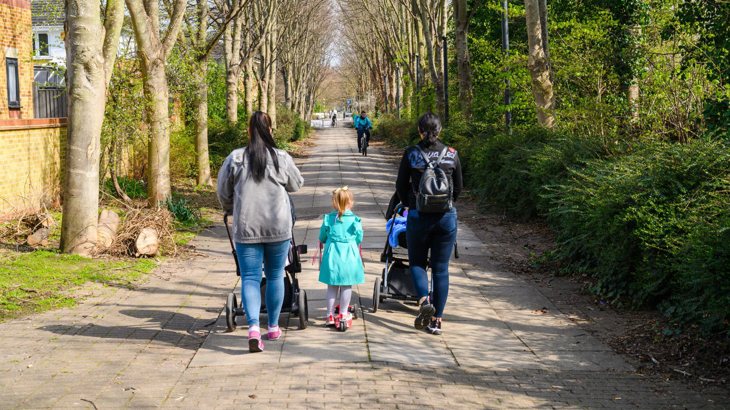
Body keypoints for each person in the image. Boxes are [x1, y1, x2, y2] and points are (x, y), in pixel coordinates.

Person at [217, 111, 304, 353]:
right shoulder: (281, 158)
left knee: (250, 278)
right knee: (276, 275)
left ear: (248, 131)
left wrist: (230, 207)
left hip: (246, 228)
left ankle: (254, 328)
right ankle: (274, 326)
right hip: (278, 227)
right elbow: (296, 184)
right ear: (270, 130)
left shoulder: (235, 158)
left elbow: (223, 192)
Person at [395, 112, 463, 336]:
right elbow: (459, 188)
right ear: (440, 130)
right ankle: (437, 321)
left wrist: (410, 205)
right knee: (441, 269)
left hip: (418, 216)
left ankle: (424, 299)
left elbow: (400, 186)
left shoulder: (412, 153)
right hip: (445, 218)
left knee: (416, 263)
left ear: (419, 131)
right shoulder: (452, 155)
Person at [318, 186, 364, 328]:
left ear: (334, 203)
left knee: (332, 286)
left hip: (332, 255)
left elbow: (322, 237)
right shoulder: (355, 221)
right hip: (349, 256)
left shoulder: (328, 219)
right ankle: (343, 313)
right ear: (350, 202)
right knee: (346, 285)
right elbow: (359, 238)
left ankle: (329, 315)